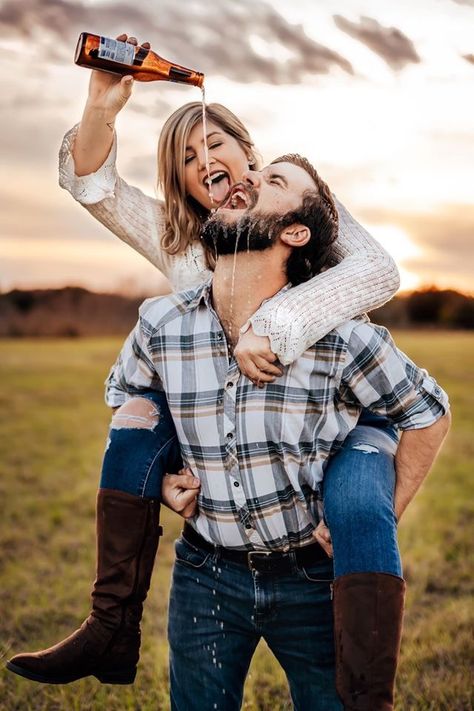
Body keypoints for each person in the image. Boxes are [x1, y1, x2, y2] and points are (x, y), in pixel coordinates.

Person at [6, 34, 402, 700]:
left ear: (250, 151)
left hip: (326, 431)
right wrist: (105, 99)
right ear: (184, 185)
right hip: (222, 486)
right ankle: (109, 622)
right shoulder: (185, 241)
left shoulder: (304, 206)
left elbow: (378, 268)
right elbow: (93, 186)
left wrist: (275, 326)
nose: (205, 159)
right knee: (136, 411)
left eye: (216, 144)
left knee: (357, 517)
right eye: (188, 159)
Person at [102, 155, 450, 710]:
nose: (246, 180)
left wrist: (389, 507)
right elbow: (125, 399)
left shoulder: (343, 341)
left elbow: (429, 413)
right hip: (203, 574)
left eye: (272, 182)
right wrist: (160, 477)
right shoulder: (161, 323)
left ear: (295, 232)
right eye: (253, 174)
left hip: (311, 581)